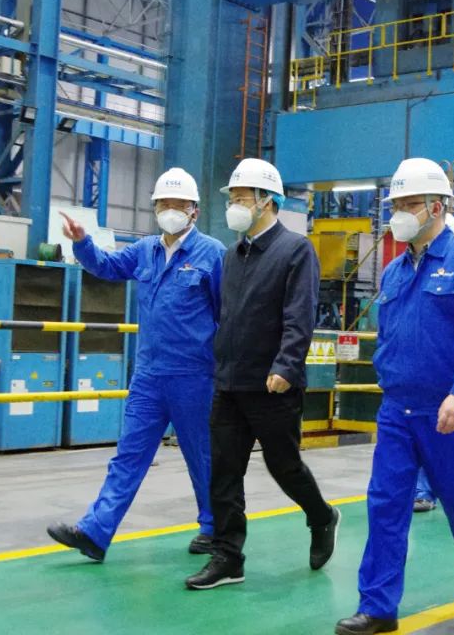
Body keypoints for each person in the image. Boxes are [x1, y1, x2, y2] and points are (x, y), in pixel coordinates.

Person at [336, 158, 454, 635]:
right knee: (385, 502)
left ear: (437, 206)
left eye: (410, 204)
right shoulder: (393, 271)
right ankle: (378, 606)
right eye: (397, 205)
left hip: (445, 410)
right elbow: (390, 333)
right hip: (396, 409)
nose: (400, 213)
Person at [47, 167, 225, 563]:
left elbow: (226, 313)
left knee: (202, 456)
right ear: (155, 208)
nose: (170, 211)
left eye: (178, 204)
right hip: (149, 376)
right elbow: (106, 267)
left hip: (194, 376)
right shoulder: (144, 250)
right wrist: (82, 242)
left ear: (194, 211)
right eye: (164, 204)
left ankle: (215, 528)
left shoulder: (212, 254)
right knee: (128, 455)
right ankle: (96, 532)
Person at [186, 158, 339, 590]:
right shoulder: (233, 255)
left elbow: (300, 314)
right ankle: (228, 556)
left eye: (240, 198)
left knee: (284, 466)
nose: (233, 206)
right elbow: (228, 315)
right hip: (230, 382)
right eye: (232, 198)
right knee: (224, 470)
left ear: (266, 201)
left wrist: (287, 365)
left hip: (273, 384)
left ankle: (321, 515)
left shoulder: (295, 250)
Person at [412, 214, 454, 514]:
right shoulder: (405, 271)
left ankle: (450, 491)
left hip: (452, 378)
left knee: (448, 443)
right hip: (418, 380)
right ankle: (423, 491)